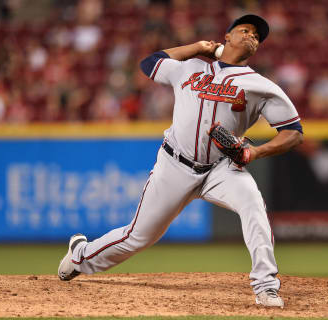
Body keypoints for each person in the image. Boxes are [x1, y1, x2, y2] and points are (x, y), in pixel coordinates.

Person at [58, 14, 303, 308]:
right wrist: (197, 46)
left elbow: (294, 133)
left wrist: (255, 152)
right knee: (138, 237)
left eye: (257, 36)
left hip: (222, 168)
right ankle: (80, 255)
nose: (251, 36)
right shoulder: (191, 67)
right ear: (226, 36)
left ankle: (266, 287)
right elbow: (149, 63)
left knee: (253, 204)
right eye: (245, 30)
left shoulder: (260, 86)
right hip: (175, 163)